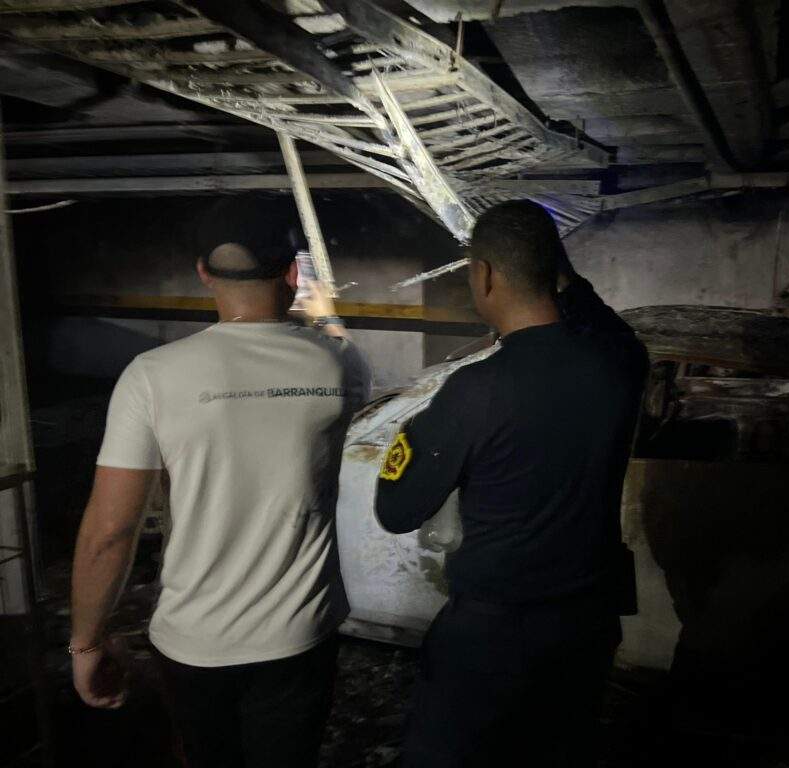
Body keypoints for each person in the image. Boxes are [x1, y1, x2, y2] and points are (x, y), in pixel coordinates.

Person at [69, 210, 370, 768]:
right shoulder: (342, 364)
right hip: (302, 631)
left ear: (203, 273)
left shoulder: (152, 374)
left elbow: (110, 532)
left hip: (195, 640)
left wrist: (86, 643)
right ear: (292, 273)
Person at [375, 199, 649, 767]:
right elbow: (606, 324)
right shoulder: (621, 364)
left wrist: (414, 432)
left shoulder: (475, 390)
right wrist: (556, 270)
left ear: (484, 276)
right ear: (556, 271)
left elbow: (397, 510)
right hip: (588, 625)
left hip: (494, 635)